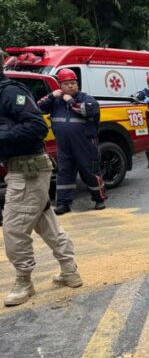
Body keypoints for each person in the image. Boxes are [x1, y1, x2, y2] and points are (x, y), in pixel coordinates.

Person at [0, 64, 82, 306]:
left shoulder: (10, 92)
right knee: (46, 223)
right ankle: (70, 271)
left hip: (28, 171)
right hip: (23, 169)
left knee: (14, 228)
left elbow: (37, 126)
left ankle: (24, 280)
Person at [38, 69, 107, 215]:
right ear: (60, 86)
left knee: (89, 172)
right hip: (64, 145)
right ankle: (63, 203)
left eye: (73, 83)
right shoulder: (56, 100)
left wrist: (70, 100)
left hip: (85, 144)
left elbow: (87, 111)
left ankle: (99, 199)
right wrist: (51, 96)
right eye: (66, 84)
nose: (70, 86)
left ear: (77, 84)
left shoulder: (87, 99)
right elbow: (38, 107)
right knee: (65, 172)